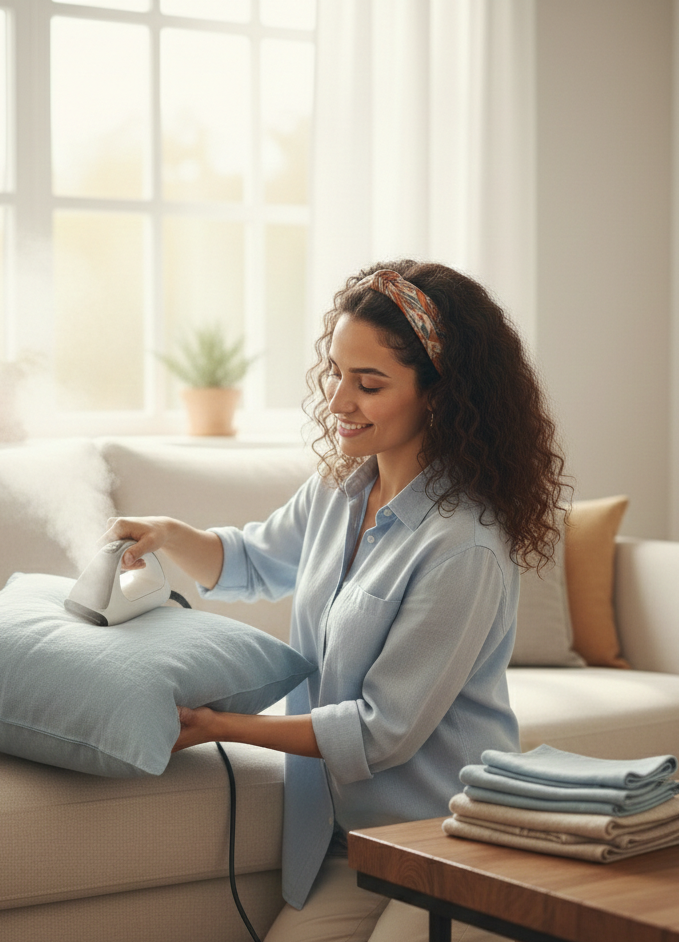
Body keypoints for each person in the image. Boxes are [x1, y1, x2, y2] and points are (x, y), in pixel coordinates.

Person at [105, 260, 569, 942]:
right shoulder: (341, 490)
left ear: (439, 396)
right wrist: (171, 535)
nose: (338, 402)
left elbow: (382, 729)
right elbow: (255, 560)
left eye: (369, 383)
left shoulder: (460, 545)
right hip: (357, 848)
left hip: (457, 842)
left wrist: (220, 725)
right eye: (336, 373)